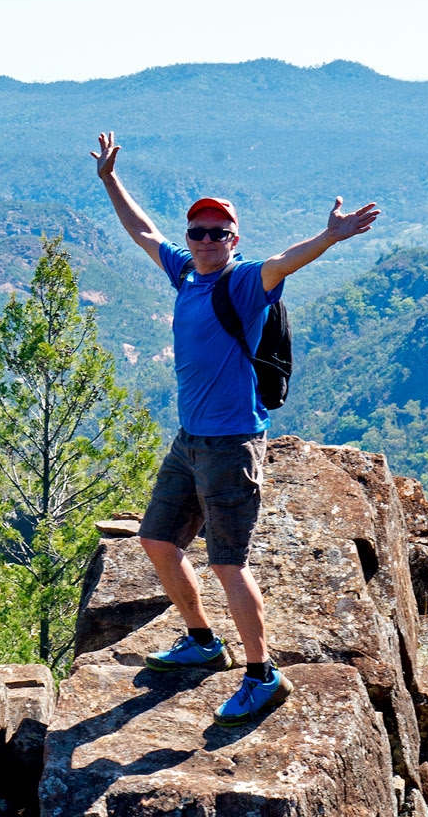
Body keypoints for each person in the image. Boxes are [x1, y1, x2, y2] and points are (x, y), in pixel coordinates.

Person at [90, 131, 379, 723]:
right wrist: (110, 181)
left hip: (230, 445)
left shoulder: (244, 283)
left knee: (228, 561)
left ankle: (262, 675)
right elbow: (145, 232)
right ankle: (201, 640)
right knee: (156, 539)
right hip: (189, 440)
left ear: (233, 240)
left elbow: (282, 264)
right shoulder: (186, 273)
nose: (204, 239)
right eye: (197, 230)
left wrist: (330, 236)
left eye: (217, 232)